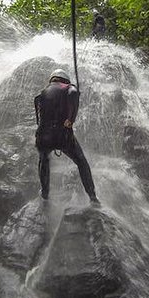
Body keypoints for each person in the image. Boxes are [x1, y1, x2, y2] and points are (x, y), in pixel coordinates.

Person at [34, 69, 100, 205]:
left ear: (53, 79)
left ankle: (45, 194)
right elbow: (73, 93)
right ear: (65, 79)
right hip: (62, 135)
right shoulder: (69, 88)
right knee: (81, 162)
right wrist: (71, 118)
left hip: (43, 136)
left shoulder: (43, 92)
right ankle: (92, 197)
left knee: (44, 160)